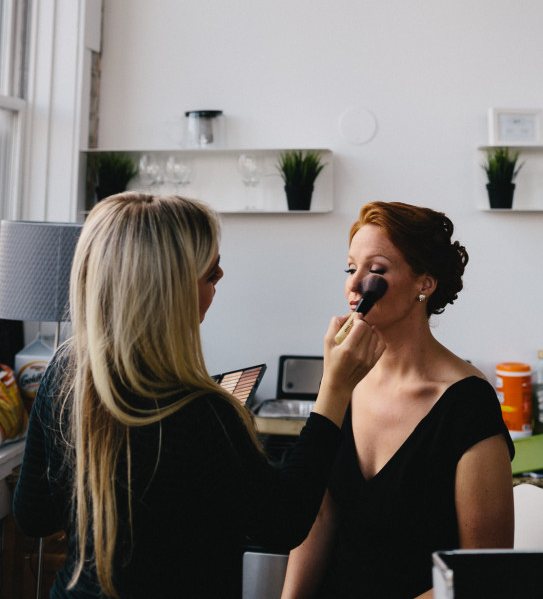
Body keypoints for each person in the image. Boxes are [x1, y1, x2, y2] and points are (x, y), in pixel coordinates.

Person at [13, 193, 384, 599]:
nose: (221, 276)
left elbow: (34, 516)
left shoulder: (62, 376)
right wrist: (334, 387)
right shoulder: (201, 413)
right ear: (168, 292)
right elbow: (283, 521)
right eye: (210, 274)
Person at [281, 201, 514, 599]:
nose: (355, 285)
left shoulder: (466, 405)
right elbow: (319, 514)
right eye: (350, 268)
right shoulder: (346, 381)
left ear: (424, 283)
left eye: (375, 270)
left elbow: (479, 576)